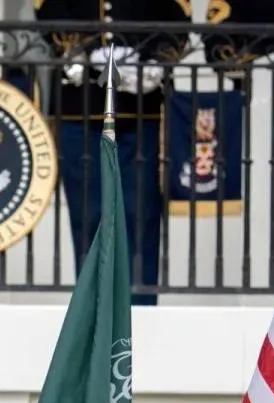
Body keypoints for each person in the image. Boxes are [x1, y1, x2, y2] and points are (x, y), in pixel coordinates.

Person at [33, 0, 189, 306]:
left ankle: (139, 308)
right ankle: (92, 308)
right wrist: (87, 47)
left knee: (139, 212)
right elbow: (47, 9)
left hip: (140, 107)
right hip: (81, 104)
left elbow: (176, 15)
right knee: (87, 215)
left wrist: (153, 59)